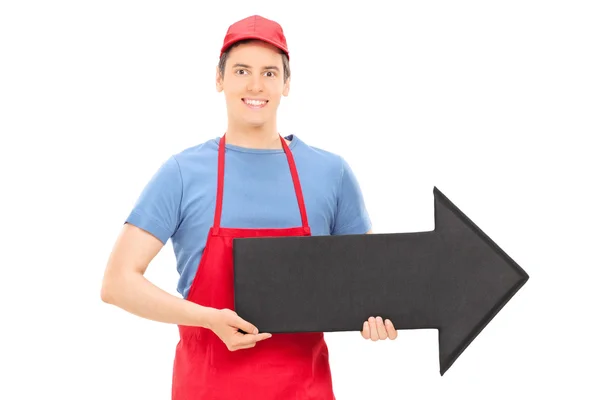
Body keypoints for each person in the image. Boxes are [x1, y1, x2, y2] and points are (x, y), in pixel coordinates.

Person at [101, 14, 398, 400]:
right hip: (206, 389)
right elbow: (117, 283)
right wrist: (207, 319)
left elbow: (367, 283)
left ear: (287, 84)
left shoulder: (331, 173)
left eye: (270, 73)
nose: (256, 85)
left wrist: (379, 315)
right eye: (242, 70)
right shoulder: (182, 173)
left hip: (304, 390)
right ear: (220, 79)